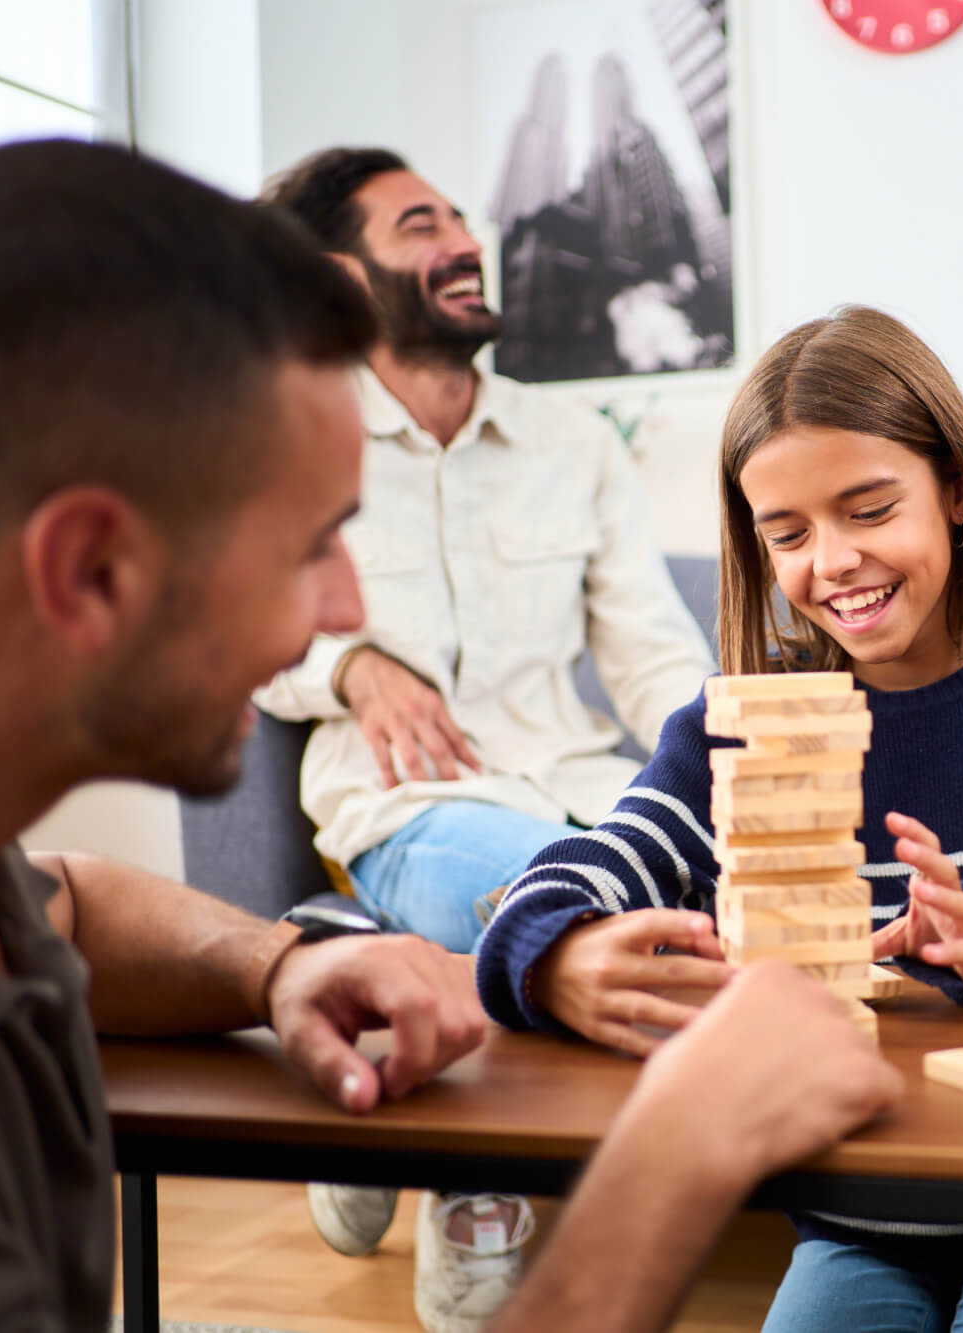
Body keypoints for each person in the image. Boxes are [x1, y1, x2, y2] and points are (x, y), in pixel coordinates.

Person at [0, 137, 898, 1333]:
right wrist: (676, 1160)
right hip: (420, 812)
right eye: (309, 543)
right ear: (91, 568)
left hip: (570, 787)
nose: (343, 607)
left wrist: (281, 968)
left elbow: (72, 898)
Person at [476, 305, 963, 1332]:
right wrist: (550, 956)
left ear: (956, 489)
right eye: (786, 534)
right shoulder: (746, 716)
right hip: (854, 1215)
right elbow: (587, 865)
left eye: (868, 510)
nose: (830, 562)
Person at [253, 146, 718, 1325]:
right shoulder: (291, 428)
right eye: (420, 225)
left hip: (581, 785)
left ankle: (367, 1070)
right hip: (411, 809)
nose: (465, 240)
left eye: (462, 217)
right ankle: (478, 1187)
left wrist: (727, 767)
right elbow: (239, 614)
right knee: (554, 904)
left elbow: (652, 650)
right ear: (342, 276)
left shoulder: (575, 447)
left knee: (685, 908)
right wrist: (350, 665)